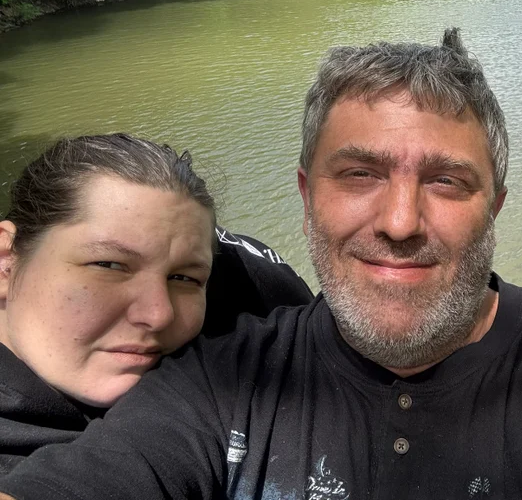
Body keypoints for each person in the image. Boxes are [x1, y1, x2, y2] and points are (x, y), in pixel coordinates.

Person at [0, 30, 522, 500]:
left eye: (447, 181)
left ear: (495, 206)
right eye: (358, 174)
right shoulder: (218, 379)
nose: (400, 222)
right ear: (306, 195)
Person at [0, 134, 312, 473]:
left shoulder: (247, 289)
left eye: (184, 278)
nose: (159, 315)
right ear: (5, 262)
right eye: (109, 265)